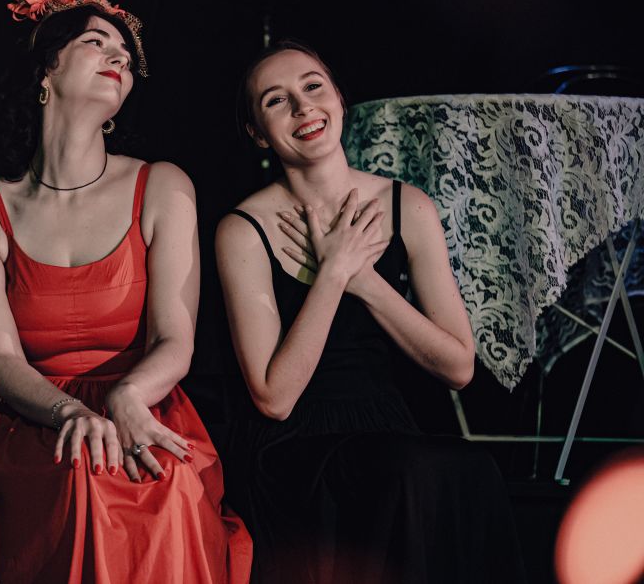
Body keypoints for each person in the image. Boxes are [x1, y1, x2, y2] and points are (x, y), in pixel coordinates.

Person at [0, 0, 252, 583]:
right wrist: (69, 413)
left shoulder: (162, 184)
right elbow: (0, 357)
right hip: (33, 415)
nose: (119, 58)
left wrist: (127, 396)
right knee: (80, 480)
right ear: (46, 72)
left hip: (143, 397)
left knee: (163, 487)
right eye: (96, 43)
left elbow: (175, 338)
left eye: (125, 53)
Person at [215, 41, 525, 583]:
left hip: (387, 428)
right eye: (276, 100)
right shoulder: (243, 229)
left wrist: (364, 281)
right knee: (405, 472)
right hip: (293, 447)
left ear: (339, 98)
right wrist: (333, 274)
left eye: (313, 86)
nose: (303, 106)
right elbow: (275, 398)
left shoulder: (410, 206)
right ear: (258, 134)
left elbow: (458, 367)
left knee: (471, 469)